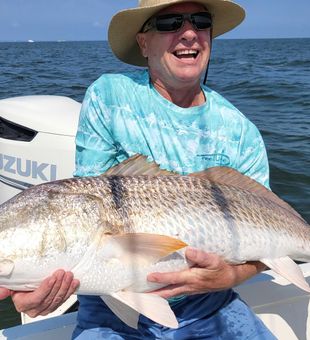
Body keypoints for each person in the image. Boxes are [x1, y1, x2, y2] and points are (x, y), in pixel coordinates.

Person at [0, 0, 277, 338]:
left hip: (209, 305)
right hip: (109, 308)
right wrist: (36, 287)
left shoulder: (241, 132)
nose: (189, 33)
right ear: (144, 43)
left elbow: (268, 249)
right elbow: (91, 208)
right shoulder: (110, 96)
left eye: (200, 21)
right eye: (170, 23)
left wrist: (229, 277)